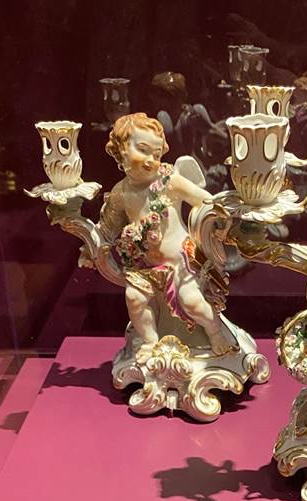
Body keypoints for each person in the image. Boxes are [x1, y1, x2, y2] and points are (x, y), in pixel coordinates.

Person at [99, 112, 233, 362]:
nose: (151, 160)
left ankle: (215, 333)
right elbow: (108, 227)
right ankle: (151, 342)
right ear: (121, 150)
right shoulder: (120, 193)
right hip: (144, 266)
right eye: (143, 150)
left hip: (181, 261)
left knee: (193, 303)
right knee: (134, 298)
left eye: (157, 154)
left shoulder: (169, 181)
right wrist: (92, 248)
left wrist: (217, 222)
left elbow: (204, 200)